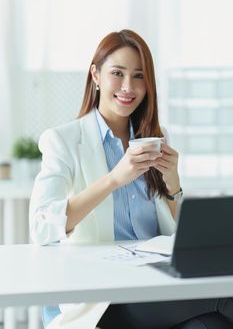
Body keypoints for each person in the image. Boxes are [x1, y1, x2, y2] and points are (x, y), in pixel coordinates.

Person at [29, 29, 233, 329]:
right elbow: (40, 227)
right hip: (102, 294)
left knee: (213, 324)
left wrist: (173, 183)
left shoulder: (155, 140)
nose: (129, 86)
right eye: (117, 73)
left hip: (156, 281)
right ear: (95, 75)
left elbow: (177, 236)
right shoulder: (63, 141)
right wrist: (114, 179)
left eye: (139, 76)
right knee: (225, 298)